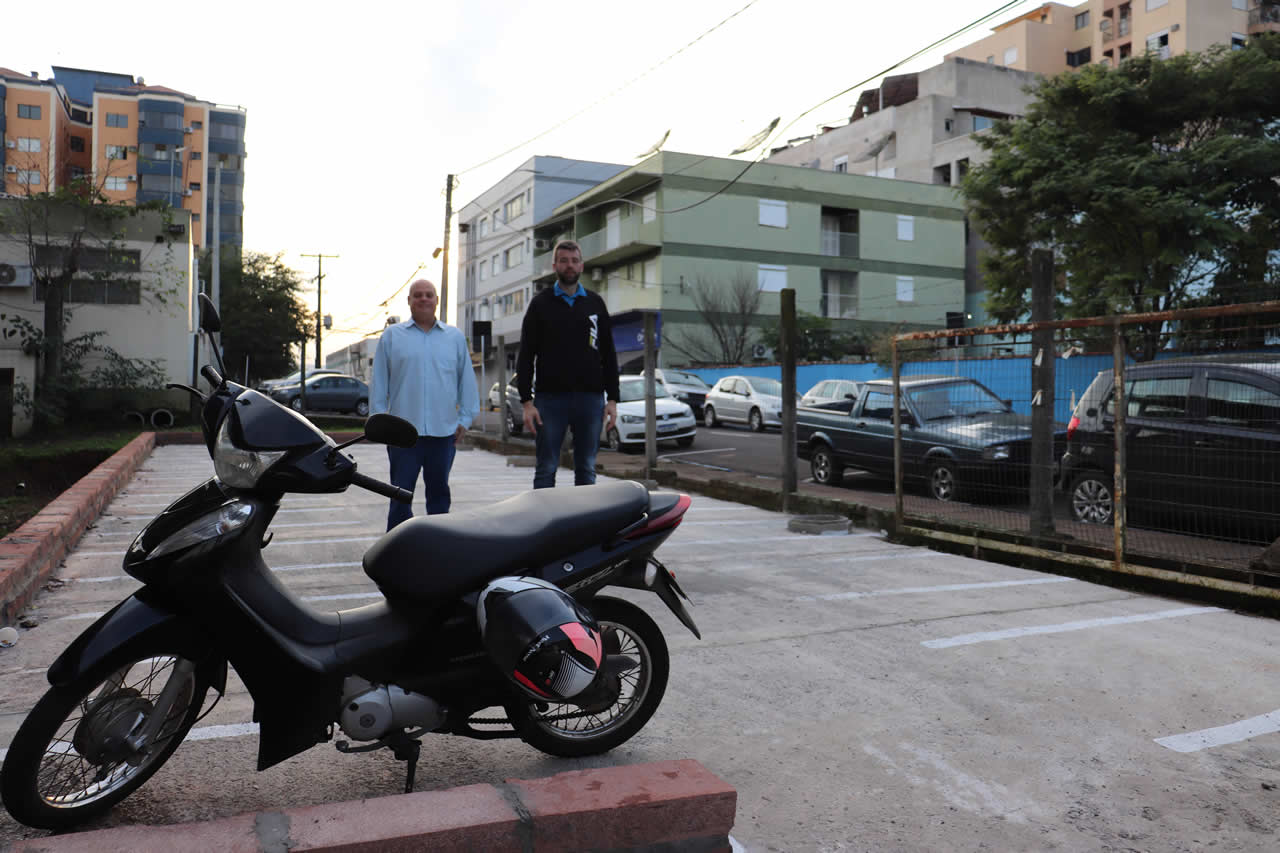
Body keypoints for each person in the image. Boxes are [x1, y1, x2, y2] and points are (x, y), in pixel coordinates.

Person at [370, 279, 479, 528]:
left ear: (437, 301)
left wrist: (465, 419)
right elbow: (379, 382)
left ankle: (438, 548)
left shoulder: (454, 338)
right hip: (403, 436)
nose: (423, 299)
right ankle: (396, 552)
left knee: (439, 497)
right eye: (417, 295)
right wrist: (379, 422)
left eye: (429, 295)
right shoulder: (392, 337)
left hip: (443, 434)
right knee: (398, 496)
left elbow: (467, 382)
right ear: (409, 301)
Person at [516, 240, 619, 489]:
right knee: (546, 468)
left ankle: (583, 525)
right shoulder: (540, 304)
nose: (569, 265)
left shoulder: (595, 304)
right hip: (550, 400)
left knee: (586, 469)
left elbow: (609, 353)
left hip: (590, 399)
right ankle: (543, 525)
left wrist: (613, 399)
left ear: (581, 265)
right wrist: (527, 402)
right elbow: (526, 355)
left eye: (574, 260)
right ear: (555, 265)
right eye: (564, 261)